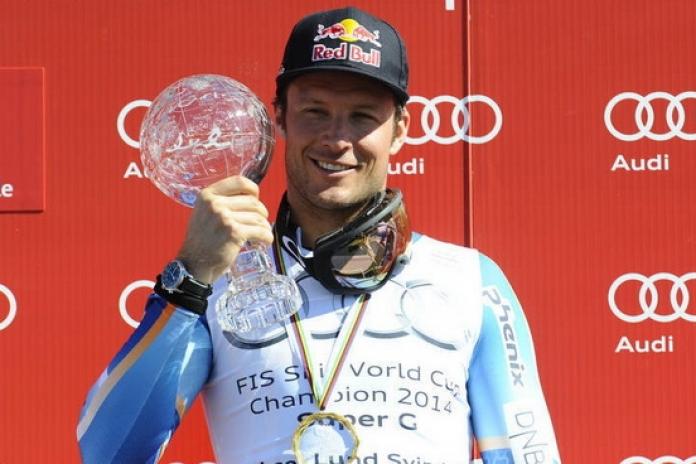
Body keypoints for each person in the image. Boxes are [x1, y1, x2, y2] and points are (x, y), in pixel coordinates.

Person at [77, 6, 562, 464]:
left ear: (399, 130)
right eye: (315, 111)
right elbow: (108, 453)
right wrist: (188, 281)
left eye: (363, 116)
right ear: (280, 117)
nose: (336, 138)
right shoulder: (216, 288)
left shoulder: (470, 280)